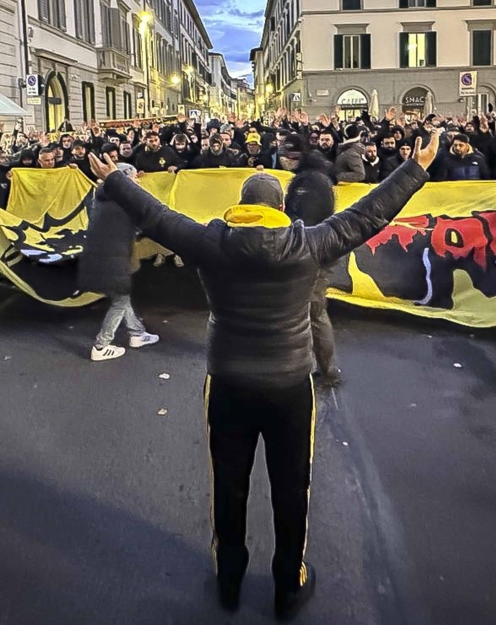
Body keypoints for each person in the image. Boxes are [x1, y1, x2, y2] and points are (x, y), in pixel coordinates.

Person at [88, 133, 440, 620]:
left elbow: (157, 217)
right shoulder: (308, 242)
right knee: (292, 488)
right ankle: (287, 588)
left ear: (241, 205)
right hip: (290, 384)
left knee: (228, 486)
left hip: (228, 381)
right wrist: (415, 168)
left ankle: (229, 581)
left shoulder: (212, 240)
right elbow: (368, 215)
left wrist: (112, 179)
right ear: (281, 206)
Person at [77, 163, 159, 361]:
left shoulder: (100, 196)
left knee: (120, 296)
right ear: (123, 180)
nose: (137, 181)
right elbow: (149, 222)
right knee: (120, 300)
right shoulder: (126, 202)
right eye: (133, 178)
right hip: (115, 259)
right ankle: (101, 345)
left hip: (99, 256)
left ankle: (137, 334)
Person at [279, 135, 342, 389]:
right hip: (318, 249)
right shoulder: (313, 175)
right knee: (311, 310)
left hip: (312, 252)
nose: (283, 162)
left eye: (287, 157)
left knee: (312, 311)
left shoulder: (310, 181)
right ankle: (320, 368)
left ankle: (324, 370)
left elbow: (304, 219)